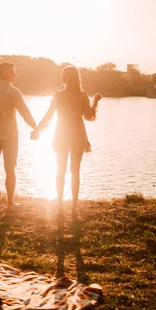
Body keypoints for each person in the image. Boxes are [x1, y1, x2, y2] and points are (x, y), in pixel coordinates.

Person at [38, 65, 101, 211]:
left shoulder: (58, 95)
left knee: (60, 169)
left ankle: (60, 202)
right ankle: (74, 204)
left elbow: (49, 115)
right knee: (75, 170)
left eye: (62, 75)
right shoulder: (82, 95)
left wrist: (38, 129)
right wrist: (95, 101)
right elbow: (89, 116)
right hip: (77, 133)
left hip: (61, 132)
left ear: (65, 78)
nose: (60, 77)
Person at [0, 62, 39, 210]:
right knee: (10, 169)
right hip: (10, 137)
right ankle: (10, 203)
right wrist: (35, 128)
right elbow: (24, 112)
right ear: (4, 73)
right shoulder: (13, 91)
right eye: (13, 72)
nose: (15, 75)